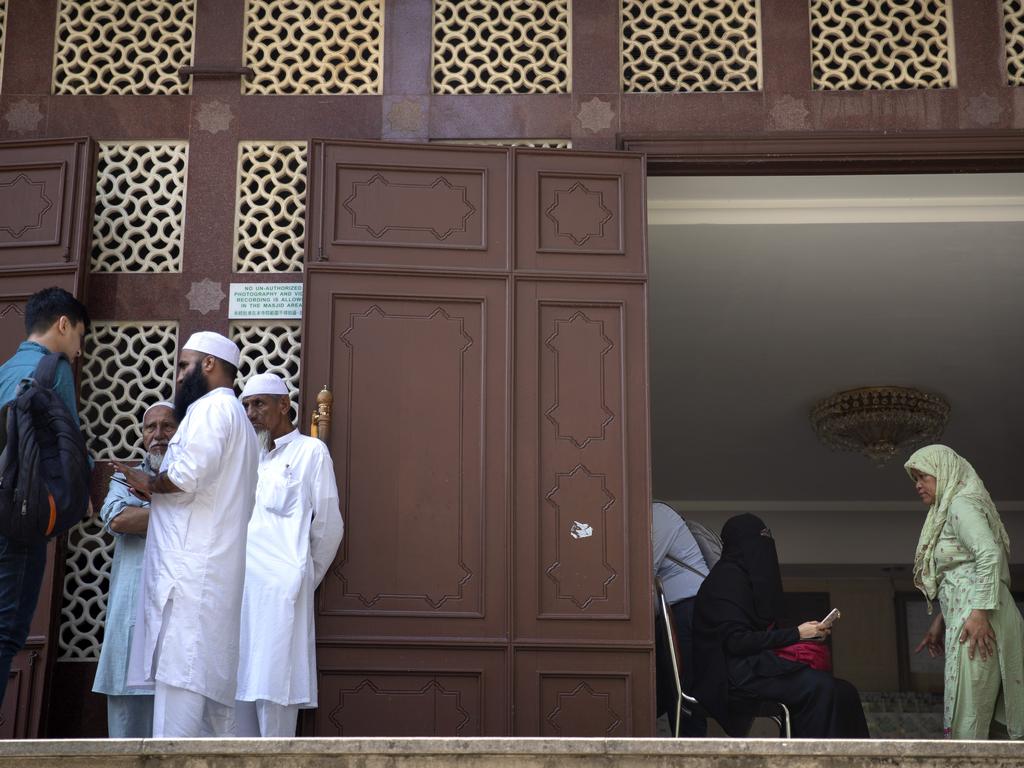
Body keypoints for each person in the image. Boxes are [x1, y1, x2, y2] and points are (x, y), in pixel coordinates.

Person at [114, 332, 258, 738]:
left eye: (184, 364)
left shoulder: (211, 409)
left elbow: (186, 476)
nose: (177, 375)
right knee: (215, 715)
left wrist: (149, 482)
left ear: (208, 365)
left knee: (179, 707)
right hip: (210, 581)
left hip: (191, 579)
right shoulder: (237, 420)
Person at [691, 513, 869, 738]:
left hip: (754, 666)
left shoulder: (739, 578)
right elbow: (736, 642)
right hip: (732, 676)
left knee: (845, 692)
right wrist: (797, 634)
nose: (764, 549)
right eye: (759, 540)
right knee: (821, 688)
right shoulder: (725, 581)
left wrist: (807, 634)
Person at [235, 373, 344, 737]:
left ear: (284, 405)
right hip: (239, 591)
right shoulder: (247, 459)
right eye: (246, 405)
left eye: (259, 404)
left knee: (274, 689)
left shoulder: (311, 452)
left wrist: (302, 576)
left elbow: (329, 526)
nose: (251, 413)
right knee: (235, 693)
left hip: (280, 594)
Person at [0, 286, 90, 703]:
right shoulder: (53, 369)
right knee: (8, 630)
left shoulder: (5, 369)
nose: (77, 350)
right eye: (79, 338)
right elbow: (69, 446)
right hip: (19, 516)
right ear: (63, 324)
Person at [906, 444, 1024, 740]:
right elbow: (960, 574)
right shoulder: (947, 509)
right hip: (972, 614)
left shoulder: (961, 505)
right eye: (915, 479)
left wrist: (980, 612)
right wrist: (940, 620)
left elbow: (988, 554)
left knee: (969, 714)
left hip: (982, 617)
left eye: (924, 477)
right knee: (970, 708)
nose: (918, 485)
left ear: (944, 474)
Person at [92, 401, 177, 737]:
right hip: (132, 616)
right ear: (142, 436)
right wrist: (179, 513)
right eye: (150, 428)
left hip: (178, 616)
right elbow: (120, 518)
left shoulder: (194, 479)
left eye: (167, 426)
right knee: (127, 733)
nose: (158, 435)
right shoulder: (121, 478)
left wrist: (152, 506)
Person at [652, 502, 708, 736]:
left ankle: (690, 753)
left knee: (684, 690)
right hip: (673, 612)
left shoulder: (657, 514)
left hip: (690, 608)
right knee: (667, 690)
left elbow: (640, 570)